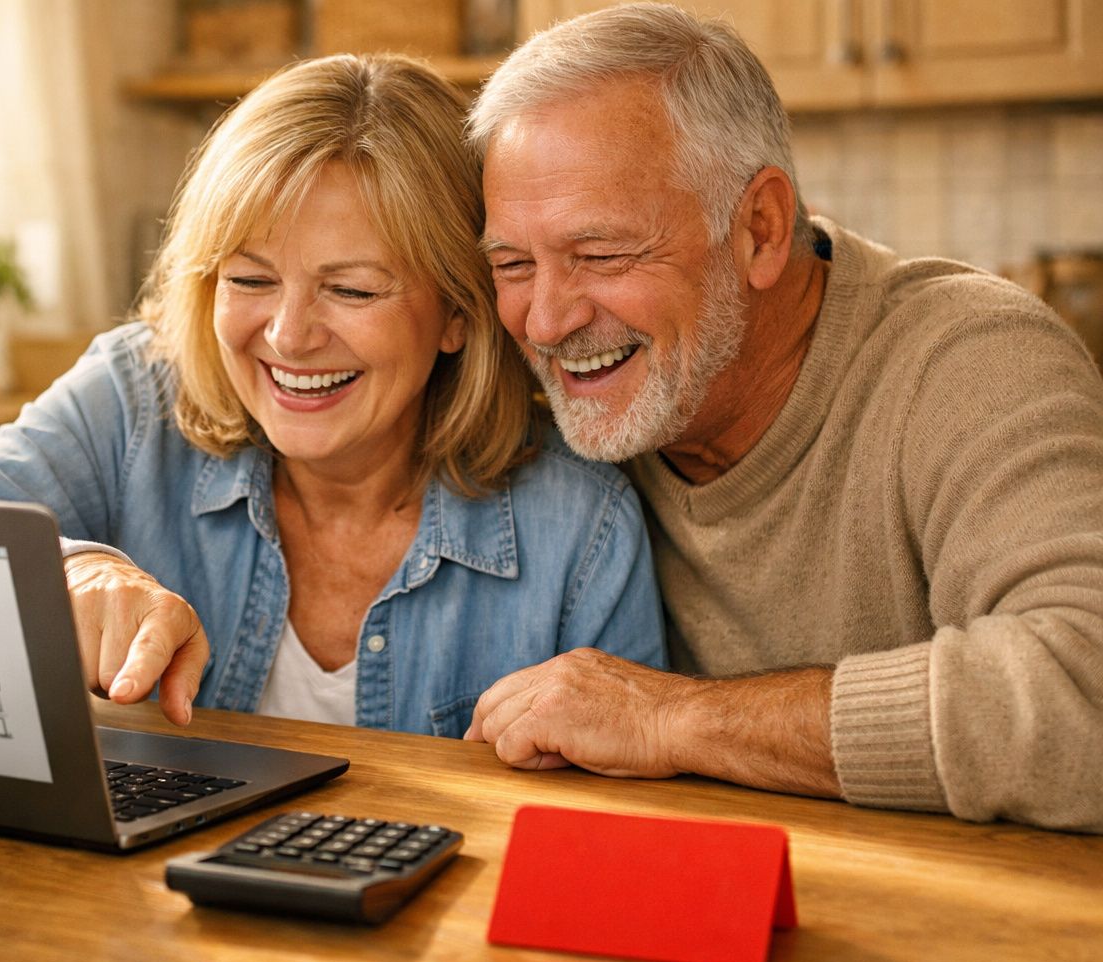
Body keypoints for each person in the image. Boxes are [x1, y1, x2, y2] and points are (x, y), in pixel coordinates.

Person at [0, 53, 665, 737]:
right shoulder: (135, 400)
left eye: (352, 290)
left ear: (458, 313)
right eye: (250, 280)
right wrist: (72, 570)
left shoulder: (580, 526)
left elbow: (621, 827)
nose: (289, 337)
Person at [463, 2, 1103, 831]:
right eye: (514, 265)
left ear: (760, 230)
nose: (547, 322)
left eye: (602, 254)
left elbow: (1084, 686)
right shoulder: (568, 407)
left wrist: (672, 718)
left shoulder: (970, 360)